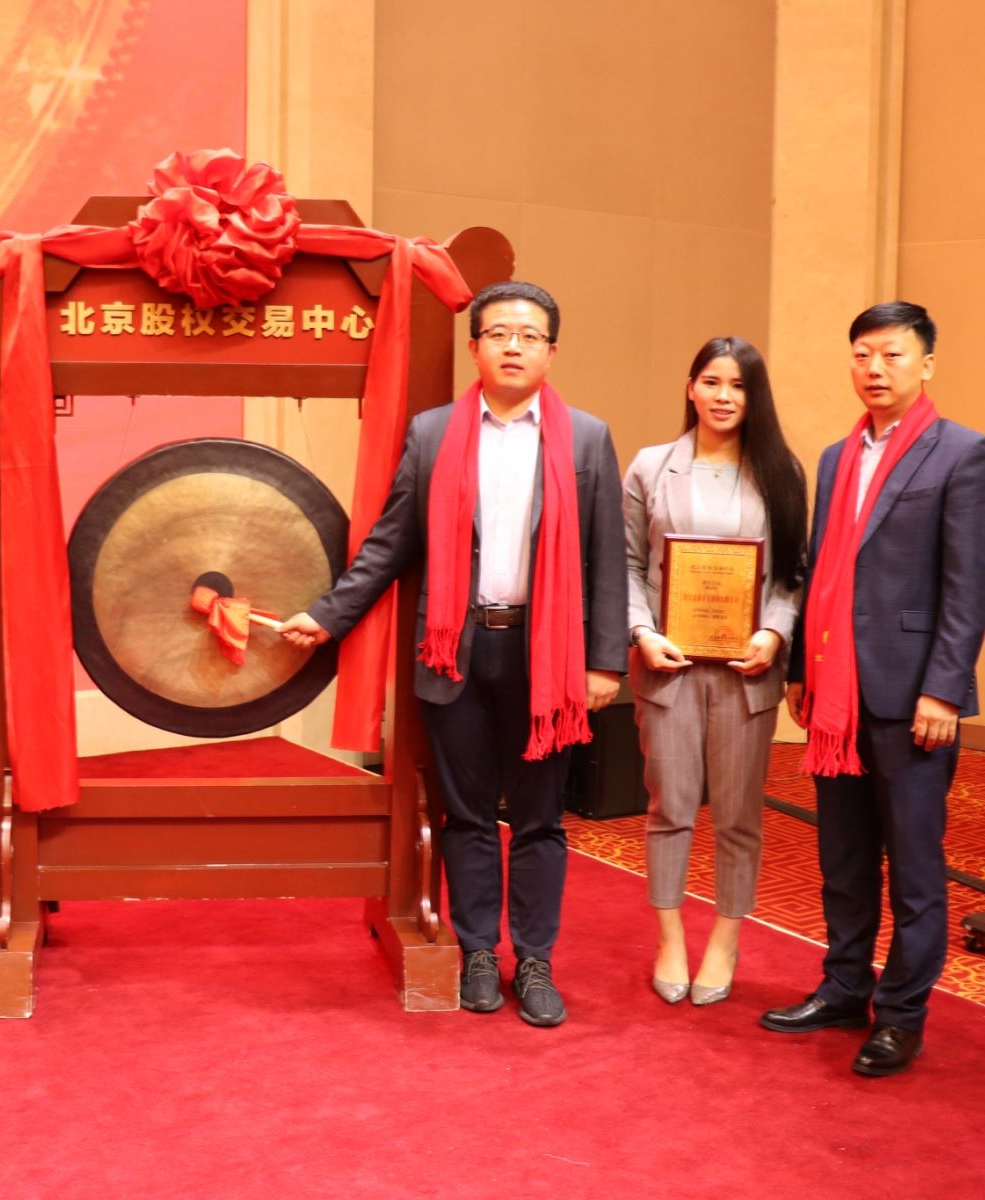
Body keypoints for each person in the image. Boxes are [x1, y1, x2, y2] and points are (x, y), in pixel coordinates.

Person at [280, 280, 628, 1027]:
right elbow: (390, 542)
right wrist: (328, 616)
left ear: (551, 351)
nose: (513, 347)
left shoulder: (587, 438)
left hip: (547, 657)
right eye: (498, 334)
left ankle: (534, 959)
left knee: (539, 819)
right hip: (455, 652)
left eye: (528, 336)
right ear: (475, 348)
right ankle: (476, 951)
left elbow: (607, 557)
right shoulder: (434, 432)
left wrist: (605, 662)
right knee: (467, 815)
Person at [760, 301, 985, 1077]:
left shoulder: (965, 454)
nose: (875, 368)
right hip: (836, 694)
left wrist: (945, 689)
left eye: (893, 354)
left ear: (926, 363)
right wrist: (802, 669)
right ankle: (843, 987)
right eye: (863, 354)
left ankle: (902, 1015)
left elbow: (968, 587)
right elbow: (820, 569)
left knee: (915, 867)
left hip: (912, 698)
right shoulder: (837, 457)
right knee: (843, 857)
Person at [623, 336, 807, 1006]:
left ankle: (726, 939)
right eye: (712, 381)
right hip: (667, 666)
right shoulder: (651, 467)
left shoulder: (781, 471)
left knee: (737, 815)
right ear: (691, 387)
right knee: (669, 808)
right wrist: (642, 632)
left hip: (746, 672)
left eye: (738, 385)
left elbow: (792, 574)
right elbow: (626, 564)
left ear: (754, 397)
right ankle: (669, 936)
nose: (724, 396)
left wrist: (773, 631)